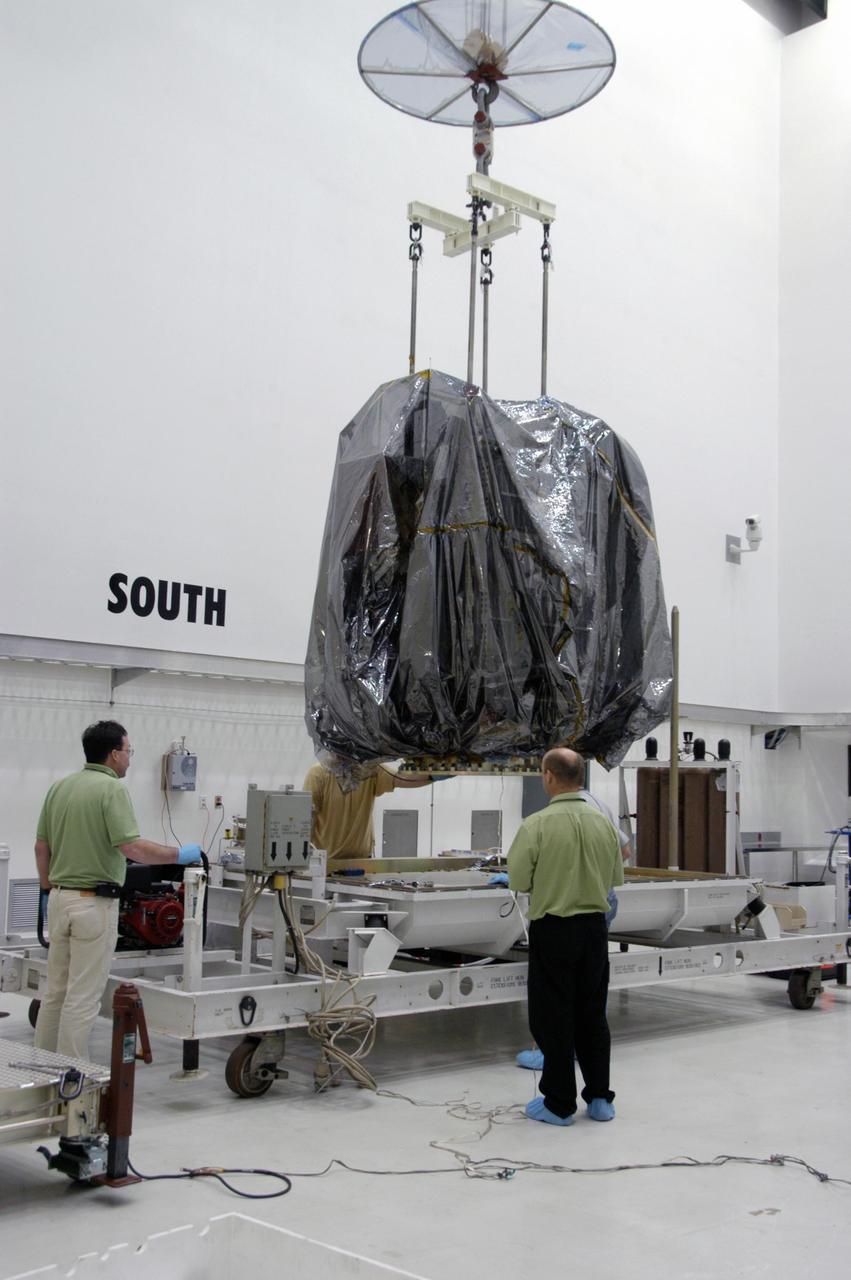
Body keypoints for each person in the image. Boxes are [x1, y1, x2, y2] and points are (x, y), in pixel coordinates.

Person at [34, 720, 203, 1060]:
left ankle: (42, 1070)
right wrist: (178, 854)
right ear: (113, 754)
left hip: (59, 899)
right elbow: (132, 848)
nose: (129, 758)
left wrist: (47, 888)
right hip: (93, 905)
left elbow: (41, 847)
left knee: (55, 992)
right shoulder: (112, 790)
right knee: (83, 996)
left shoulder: (60, 787)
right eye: (128, 751)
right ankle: (71, 1079)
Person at [505, 746, 623, 1126]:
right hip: (593, 930)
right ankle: (601, 1098)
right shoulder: (603, 823)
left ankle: (558, 1103)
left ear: (550, 777)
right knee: (593, 1015)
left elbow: (520, 881)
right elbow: (613, 880)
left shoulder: (536, 825)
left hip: (554, 928)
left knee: (553, 1016)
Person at [302, 759, 436, 860]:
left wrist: (439, 772)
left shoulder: (370, 770)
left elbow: (404, 778)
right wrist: (304, 857)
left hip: (362, 862)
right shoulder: (318, 773)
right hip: (326, 861)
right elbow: (306, 818)